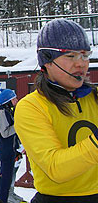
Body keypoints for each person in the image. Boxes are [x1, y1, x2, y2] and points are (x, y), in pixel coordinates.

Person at [14, 18, 98, 203]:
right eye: (70, 56)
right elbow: (55, 168)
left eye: (85, 55)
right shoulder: (32, 106)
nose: (81, 63)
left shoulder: (94, 97)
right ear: (47, 61)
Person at [0, 89, 25, 203]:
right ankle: (1, 199)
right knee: (5, 179)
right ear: (8, 101)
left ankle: (7, 196)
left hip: (12, 150)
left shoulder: (9, 112)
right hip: (6, 151)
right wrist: (19, 124)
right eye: (14, 98)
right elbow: (5, 133)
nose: (17, 100)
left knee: (10, 178)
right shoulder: (1, 113)